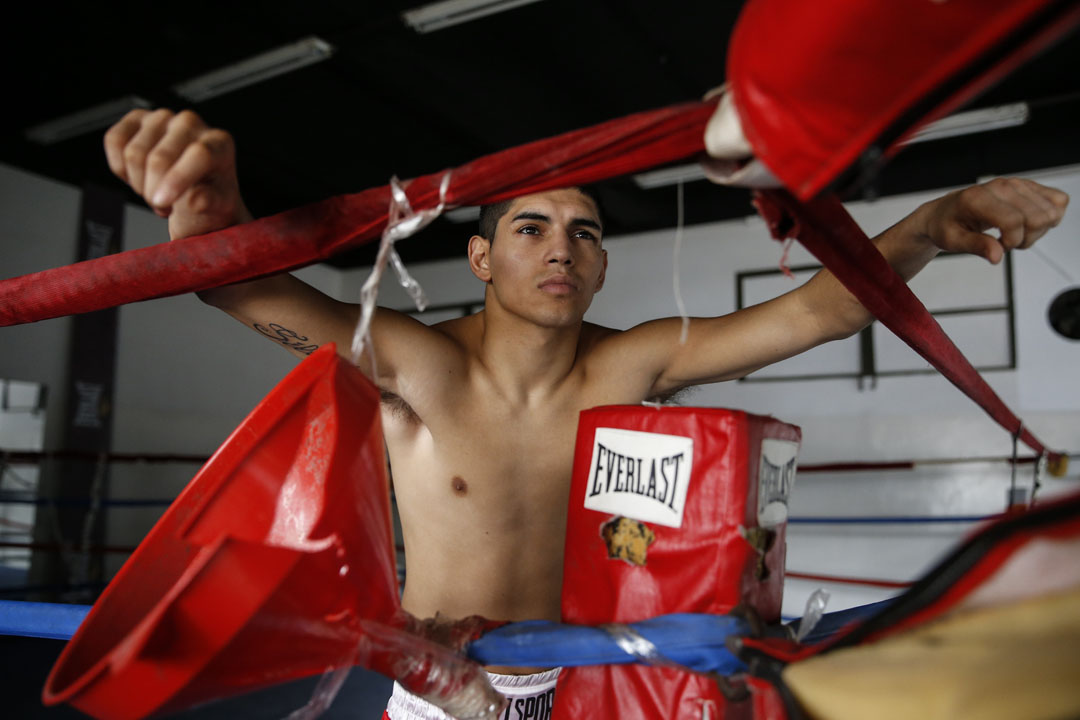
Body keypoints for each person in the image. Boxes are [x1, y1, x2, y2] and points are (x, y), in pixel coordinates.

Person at [103, 108, 1068, 719]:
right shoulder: (418, 364)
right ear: (483, 259)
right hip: (443, 693)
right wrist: (209, 230)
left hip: (589, 684)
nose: (560, 249)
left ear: (602, 262)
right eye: (530, 228)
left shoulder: (629, 363)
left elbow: (820, 309)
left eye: (583, 233)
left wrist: (933, 225)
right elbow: (245, 295)